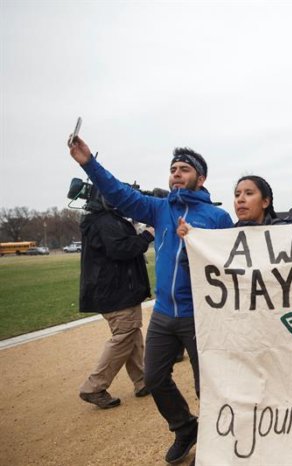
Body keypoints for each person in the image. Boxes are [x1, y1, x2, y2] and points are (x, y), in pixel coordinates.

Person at [68, 136, 233, 465]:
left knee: (209, 387)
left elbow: (231, 265)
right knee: (155, 378)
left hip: (200, 315)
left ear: (200, 179)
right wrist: (89, 163)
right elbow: (118, 193)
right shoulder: (159, 209)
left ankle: (221, 445)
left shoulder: (217, 218)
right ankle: (185, 427)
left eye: (184, 169)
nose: (176, 174)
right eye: (172, 169)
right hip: (163, 314)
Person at [77, 188, 153, 409]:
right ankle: (94, 387)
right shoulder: (106, 222)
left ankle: (142, 381)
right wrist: (149, 234)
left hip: (116, 290)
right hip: (116, 291)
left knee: (131, 334)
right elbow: (122, 249)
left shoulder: (103, 220)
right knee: (125, 336)